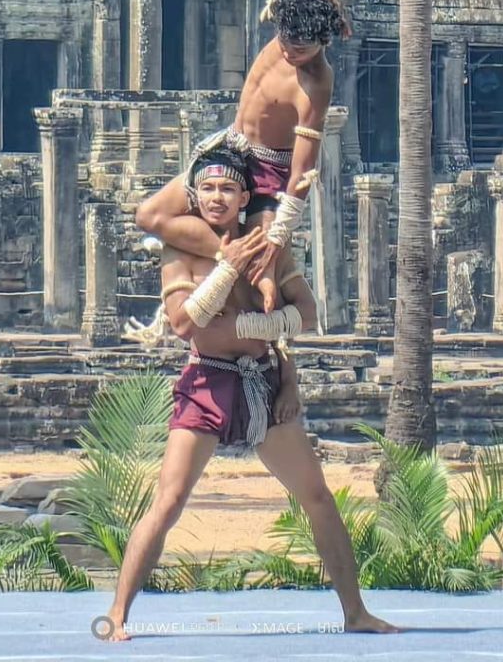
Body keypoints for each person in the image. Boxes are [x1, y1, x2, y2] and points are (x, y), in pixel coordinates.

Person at [103, 149, 397, 641]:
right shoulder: (180, 250)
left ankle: (356, 612)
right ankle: (117, 613)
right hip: (208, 383)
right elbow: (184, 325)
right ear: (195, 196)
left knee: (318, 497)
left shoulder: (268, 246)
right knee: (168, 501)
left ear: (244, 198)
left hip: (264, 383)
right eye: (207, 189)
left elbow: (306, 315)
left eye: (227, 189)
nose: (217, 197)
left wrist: (283, 373)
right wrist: (228, 270)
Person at [135, 0, 351, 315]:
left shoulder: (316, 84)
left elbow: (302, 171)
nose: (289, 53)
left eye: (300, 50)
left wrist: (278, 232)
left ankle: (263, 330)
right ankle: (228, 251)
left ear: (322, 42)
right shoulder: (299, 11)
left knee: (262, 281)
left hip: (269, 171)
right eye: (285, 42)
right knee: (149, 215)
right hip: (229, 149)